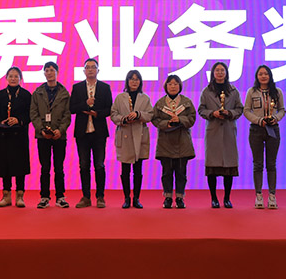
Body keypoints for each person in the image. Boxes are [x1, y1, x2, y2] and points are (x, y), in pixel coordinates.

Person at [198, 62, 244, 209]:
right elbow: (201, 109)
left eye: (222, 70)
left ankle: (227, 198)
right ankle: (214, 198)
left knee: (228, 168)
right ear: (213, 73)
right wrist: (212, 113)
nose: (219, 73)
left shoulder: (233, 90)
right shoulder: (206, 91)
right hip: (213, 131)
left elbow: (240, 109)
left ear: (226, 73)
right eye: (217, 70)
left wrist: (229, 113)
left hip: (229, 131)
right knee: (212, 168)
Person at [70, 58, 113, 209]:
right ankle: (86, 197)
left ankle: (100, 196)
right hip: (82, 132)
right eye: (87, 67)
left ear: (98, 70)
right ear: (84, 71)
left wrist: (97, 113)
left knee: (99, 165)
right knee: (83, 165)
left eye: (93, 67)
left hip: (99, 132)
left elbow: (110, 109)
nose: (90, 70)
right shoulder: (77, 88)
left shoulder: (105, 88)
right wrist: (85, 104)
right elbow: (71, 108)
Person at [30, 61, 71, 209]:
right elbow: (33, 113)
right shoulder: (38, 92)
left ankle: (60, 197)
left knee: (59, 167)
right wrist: (41, 129)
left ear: (57, 72)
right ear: (44, 73)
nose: (49, 73)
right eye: (47, 70)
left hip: (59, 136)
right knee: (45, 168)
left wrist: (61, 130)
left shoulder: (64, 93)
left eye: (52, 70)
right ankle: (44, 197)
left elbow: (67, 115)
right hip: (43, 136)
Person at [243, 65, 285, 210]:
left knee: (271, 164)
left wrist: (275, 118)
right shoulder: (252, 91)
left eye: (266, 74)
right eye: (260, 74)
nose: (263, 76)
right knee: (258, 164)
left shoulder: (277, 92)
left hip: (273, 129)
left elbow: (282, 110)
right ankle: (259, 195)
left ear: (270, 76)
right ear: (257, 76)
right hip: (256, 129)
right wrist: (258, 120)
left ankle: (272, 195)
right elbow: (246, 110)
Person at [151, 74, 196, 209]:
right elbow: (155, 120)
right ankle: (168, 197)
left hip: (183, 142)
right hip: (165, 142)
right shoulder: (160, 103)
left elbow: (192, 118)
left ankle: (180, 197)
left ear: (180, 86)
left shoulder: (186, 102)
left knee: (181, 173)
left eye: (175, 84)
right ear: (166, 86)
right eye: (170, 84)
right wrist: (168, 123)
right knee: (167, 173)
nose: (173, 86)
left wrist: (180, 120)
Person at [110, 70, 153, 209]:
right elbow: (113, 115)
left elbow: (150, 115)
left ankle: (137, 198)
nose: (134, 82)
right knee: (125, 170)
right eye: (131, 79)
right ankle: (127, 198)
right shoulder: (120, 97)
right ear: (127, 81)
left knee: (138, 170)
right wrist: (123, 119)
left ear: (140, 81)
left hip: (140, 135)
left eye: (137, 79)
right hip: (125, 134)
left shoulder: (145, 98)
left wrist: (139, 114)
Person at [0, 67, 32, 208]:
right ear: (6, 78)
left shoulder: (26, 95)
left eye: (16, 76)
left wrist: (19, 120)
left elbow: (31, 113)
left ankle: (20, 195)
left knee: (20, 165)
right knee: (5, 165)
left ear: (20, 78)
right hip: (3, 135)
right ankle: (6, 195)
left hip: (19, 135)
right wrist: (0, 122)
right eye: (11, 76)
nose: (13, 79)